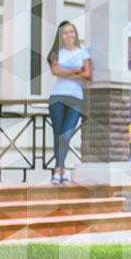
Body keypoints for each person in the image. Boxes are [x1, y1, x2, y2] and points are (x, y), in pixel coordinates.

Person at [47, 21, 91, 185]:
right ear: (61, 36)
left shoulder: (82, 53)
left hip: (75, 98)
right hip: (57, 97)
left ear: (75, 34)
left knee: (65, 135)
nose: (69, 35)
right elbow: (55, 71)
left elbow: (87, 74)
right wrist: (76, 71)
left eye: (71, 32)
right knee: (58, 134)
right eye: (65, 33)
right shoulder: (57, 53)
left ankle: (58, 169)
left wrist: (66, 72)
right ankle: (60, 171)